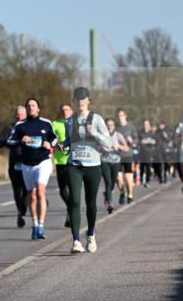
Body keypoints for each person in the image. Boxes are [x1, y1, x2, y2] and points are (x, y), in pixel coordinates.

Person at [64, 87, 112, 253]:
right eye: (77, 99)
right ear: (74, 101)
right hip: (74, 165)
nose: (80, 101)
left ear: (88, 100)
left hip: (93, 165)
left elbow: (109, 144)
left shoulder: (97, 119)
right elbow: (67, 142)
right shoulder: (69, 121)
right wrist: (61, 145)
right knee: (74, 201)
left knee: (91, 203)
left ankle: (90, 235)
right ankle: (76, 240)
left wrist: (94, 133)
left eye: (83, 99)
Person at [13, 97, 58, 240]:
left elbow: (54, 138)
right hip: (27, 165)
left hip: (43, 162)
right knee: (31, 195)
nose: (31, 107)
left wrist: (49, 144)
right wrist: (21, 140)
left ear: (38, 108)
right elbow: (10, 140)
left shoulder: (46, 123)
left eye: (33, 105)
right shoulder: (20, 125)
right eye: (28, 105)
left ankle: (41, 225)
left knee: (40, 191)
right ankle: (34, 223)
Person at [0, 105, 27, 227]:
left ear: (26, 114)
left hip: (28, 162)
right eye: (17, 114)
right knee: (16, 189)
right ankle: (20, 211)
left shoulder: (30, 126)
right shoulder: (10, 128)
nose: (19, 116)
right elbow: (0, 142)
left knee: (27, 189)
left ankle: (24, 207)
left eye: (21, 114)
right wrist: (9, 142)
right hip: (14, 163)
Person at [52, 103, 73, 227]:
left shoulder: (75, 123)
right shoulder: (55, 124)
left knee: (71, 188)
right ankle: (71, 207)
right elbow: (50, 137)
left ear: (71, 111)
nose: (65, 111)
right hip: (60, 161)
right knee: (62, 190)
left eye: (67, 109)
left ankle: (71, 214)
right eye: (63, 110)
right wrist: (56, 144)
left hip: (72, 160)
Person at [101, 117, 128, 213]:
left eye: (111, 125)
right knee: (108, 182)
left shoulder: (118, 135)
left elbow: (126, 148)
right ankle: (109, 203)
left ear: (114, 126)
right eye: (107, 125)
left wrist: (117, 146)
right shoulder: (101, 135)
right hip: (104, 161)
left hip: (116, 161)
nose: (109, 127)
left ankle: (116, 193)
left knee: (113, 182)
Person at [115, 108, 138, 204]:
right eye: (118, 115)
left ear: (125, 116)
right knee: (118, 177)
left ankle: (130, 196)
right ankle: (122, 192)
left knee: (128, 178)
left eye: (121, 115)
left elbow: (136, 141)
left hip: (128, 156)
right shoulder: (115, 128)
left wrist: (131, 141)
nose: (120, 117)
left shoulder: (131, 127)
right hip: (117, 156)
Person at [138, 119, 157, 188]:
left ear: (149, 125)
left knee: (148, 167)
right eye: (144, 124)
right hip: (142, 152)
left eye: (147, 124)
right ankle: (141, 180)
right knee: (142, 167)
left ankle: (147, 181)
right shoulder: (140, 133)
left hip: (149, 153)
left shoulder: (152, 133)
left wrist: (153, 142)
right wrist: (141, 142)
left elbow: (156, 141)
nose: (145, 126)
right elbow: (138, 141)